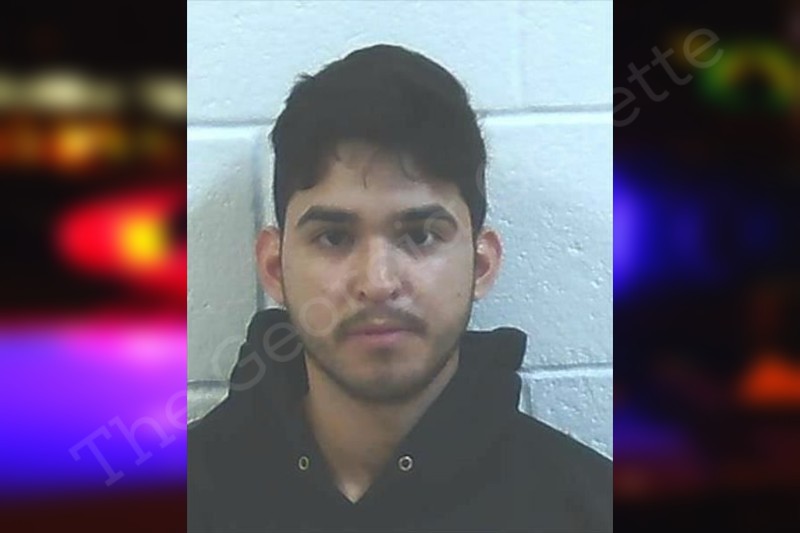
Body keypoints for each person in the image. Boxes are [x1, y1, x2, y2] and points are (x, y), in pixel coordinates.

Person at [188, 44, 612, 533]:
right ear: (274, 267)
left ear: (480, 265)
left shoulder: (591, 508)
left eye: (421, 236)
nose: (378, 283)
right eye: (334, 237)